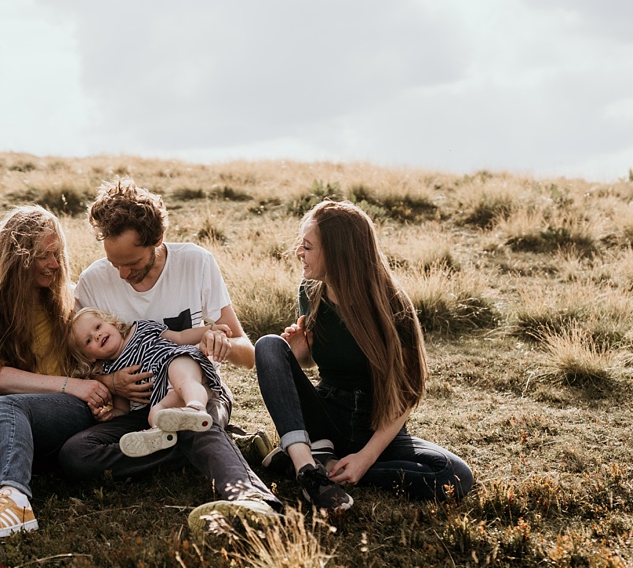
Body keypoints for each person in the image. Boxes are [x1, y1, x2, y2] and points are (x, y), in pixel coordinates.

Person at [59, 178, 285, 536]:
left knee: (196, 424)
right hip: (141, 412)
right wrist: (109, 382)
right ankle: (220, 446)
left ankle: (252, 501)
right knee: (76, 455)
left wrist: (218, 341)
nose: (122, 274)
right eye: (114, 263)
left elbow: (247, 352)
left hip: (196, 393)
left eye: (132, 263)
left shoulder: (195, 262)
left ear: (157, 241)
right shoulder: (93, 282)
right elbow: (78, 361)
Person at [254, 200, 474, 513]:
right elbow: (319, 362)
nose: (299, 253)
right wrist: (300, 354)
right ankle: (308, 470)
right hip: (326, 416)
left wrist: (364, 460)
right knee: (268, 345)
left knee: (454, 476)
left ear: (337, 252)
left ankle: (318, 463)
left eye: (307, 246)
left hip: (378, 425)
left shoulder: (391, 304)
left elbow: (409, 393)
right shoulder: (310, 291)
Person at [0, 205, 106, 541]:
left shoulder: (67, 301)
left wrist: (85, 386)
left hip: (63, 415)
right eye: (44, 256)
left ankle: (16, 502)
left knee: (5, 404)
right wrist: (73, 384)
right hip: (6, 431)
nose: (55, 264)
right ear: (17, 258)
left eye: (58, 254)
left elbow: (100, 351)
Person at [70, 308, 226, 456]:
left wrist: (210, 330)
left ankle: (196, 407)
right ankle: (159, 434)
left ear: (110, 322)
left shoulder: (141, 328)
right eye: (88, 340)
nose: (97, 335)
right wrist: (109, 415)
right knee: (157, 412)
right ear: (89, 357)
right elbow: (122, 409)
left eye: (98, 327)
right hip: (164, 393)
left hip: (176, 360)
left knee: (183, 379)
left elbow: (181, 337)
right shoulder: (111, 373)